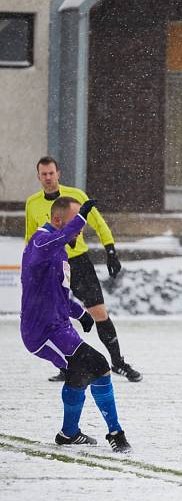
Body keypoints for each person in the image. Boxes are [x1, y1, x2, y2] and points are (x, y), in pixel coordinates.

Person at [20, 196, 132, 452]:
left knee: (80, 374)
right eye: (76, 224)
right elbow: (59, 237)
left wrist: (79, 313)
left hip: (59, 328)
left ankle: (69, 434)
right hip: (43, 332)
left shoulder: (58, 249)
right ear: (58, 221)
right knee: (100, 365)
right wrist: (83, 215)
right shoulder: (41, 241)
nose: (79, 232)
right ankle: (116, 433)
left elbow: (58, 292)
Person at [25, 156, 141, 382]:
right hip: (52, 266)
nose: (48, 178)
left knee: (98, 312)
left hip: (77, 263)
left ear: (58, 173)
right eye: (43, 174)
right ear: (38, 177)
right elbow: (31, 238)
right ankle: (66, 365)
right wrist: (29, 271)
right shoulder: (32, 203)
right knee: (58, 314)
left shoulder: (76, 196)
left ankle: (118, 363)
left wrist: (110, 250)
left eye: (51, 173)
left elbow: (98, 223)